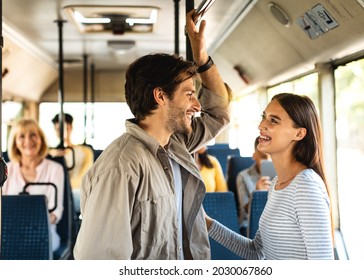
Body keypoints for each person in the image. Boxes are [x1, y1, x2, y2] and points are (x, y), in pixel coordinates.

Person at [73, 9, 231, 260]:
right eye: (189, 94)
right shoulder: (120, 167)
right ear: (160, 96)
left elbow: (219, 111)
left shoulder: (177, 144)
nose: (197, 105)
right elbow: (100, 262)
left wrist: (201, 57)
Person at [206, 93, 334, 260]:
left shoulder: (305, 187)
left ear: (299, 134)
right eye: (264, 117)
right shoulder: (276, 185)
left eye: (273, 120)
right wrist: (206, 222)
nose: (261, 125)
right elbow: (256, 251)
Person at [3, 118, 65, 252]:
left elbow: (56, 212)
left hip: (43, 234)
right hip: (9, 234)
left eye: (33, 135)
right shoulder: (6, 170)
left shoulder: (55, 169)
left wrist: (31, 226)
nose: (28, 141)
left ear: (41, 139)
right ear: (15, 142)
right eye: (21, 136)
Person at [50, 113, 94, 213]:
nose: (59, 132)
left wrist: (65, 188)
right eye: (57, 129)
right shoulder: (50, 153)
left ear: (70, 127)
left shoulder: (85, 151)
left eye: (63, 128)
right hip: (55, 191)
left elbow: (84, 177)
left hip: (75, 191)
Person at [236, 136, 271, 228]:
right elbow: (246, 211)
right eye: (264, 157)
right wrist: (256, 194)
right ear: (254, 156)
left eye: (272, 156)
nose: (268, 161)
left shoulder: (282, 176)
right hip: (249, 223)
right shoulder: (243, 176)